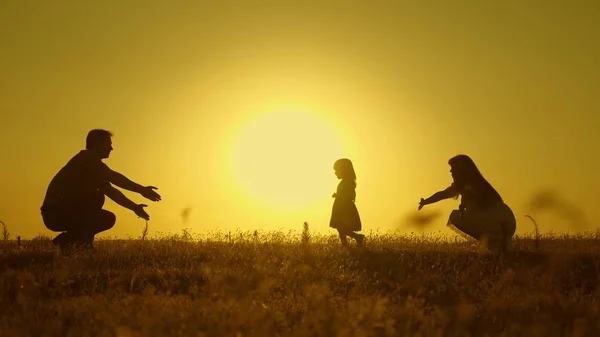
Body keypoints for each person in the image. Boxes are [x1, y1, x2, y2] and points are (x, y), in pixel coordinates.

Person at [40, 129, 162, 251]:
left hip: (63, 212)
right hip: (56, 213)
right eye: (109, 144)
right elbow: (114, 177)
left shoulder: (92, 167)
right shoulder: (87, 158)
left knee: (107, 218)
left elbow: (112, 192)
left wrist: (135, 207)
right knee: (96, 198)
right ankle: (82, 244)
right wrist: (142, 190)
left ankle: (70, 241)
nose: (111, 148)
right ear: (98, 143)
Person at [418, 154, 516, 252]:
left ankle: (496, 246)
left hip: (500, 220)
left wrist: (464, 204)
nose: (450, 171)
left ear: (461, 170)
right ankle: (497, 249)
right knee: (459, 216)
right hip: (501, 220)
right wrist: (425, 201)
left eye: (453, 168)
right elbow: (442, 194)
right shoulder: (467, 185)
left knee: (456, 216)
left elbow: (473, 197)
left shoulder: (474, 185)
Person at [330, 158, 365, 247]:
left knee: (341, 227)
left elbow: (347, 196)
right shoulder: (346, 182)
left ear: (343, 170)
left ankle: (356, 238)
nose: (335, 173)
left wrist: (338, 196)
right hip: (342, 206)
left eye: (336, 170)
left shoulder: (346, 182)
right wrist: (337, 195)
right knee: (340, 227)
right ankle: (346, 243)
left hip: (343, 208)